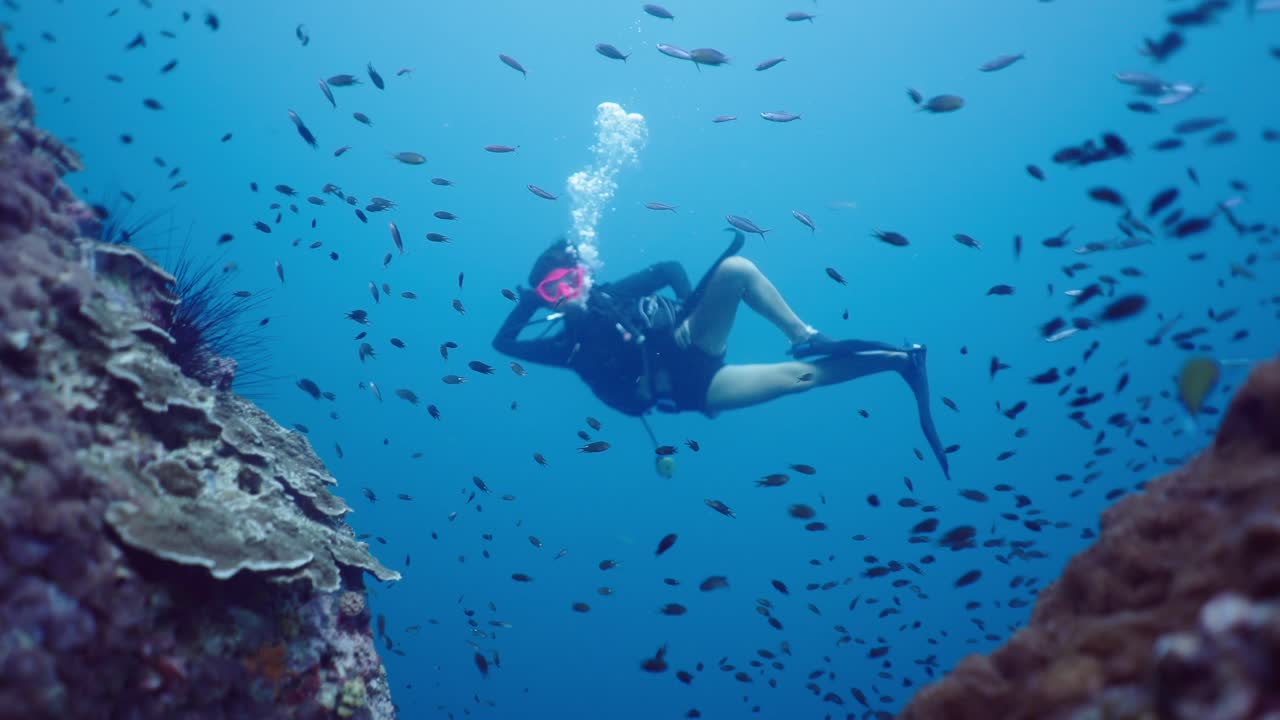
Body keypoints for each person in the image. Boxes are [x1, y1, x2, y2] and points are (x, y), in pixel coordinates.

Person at [493, 234, 950, 479]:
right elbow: (504, 344)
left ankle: (804, 333)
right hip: (695, 391)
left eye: (572, 280)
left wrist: (691, 308)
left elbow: (671, 268)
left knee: (735, 269)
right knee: (802, 379)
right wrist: (531, 298)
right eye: (556, 292)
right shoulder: (564, 349)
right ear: (547, 300)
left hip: (693, 347)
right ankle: (903, 362)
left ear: (585, 273)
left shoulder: (615, 296)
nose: (569, 295)